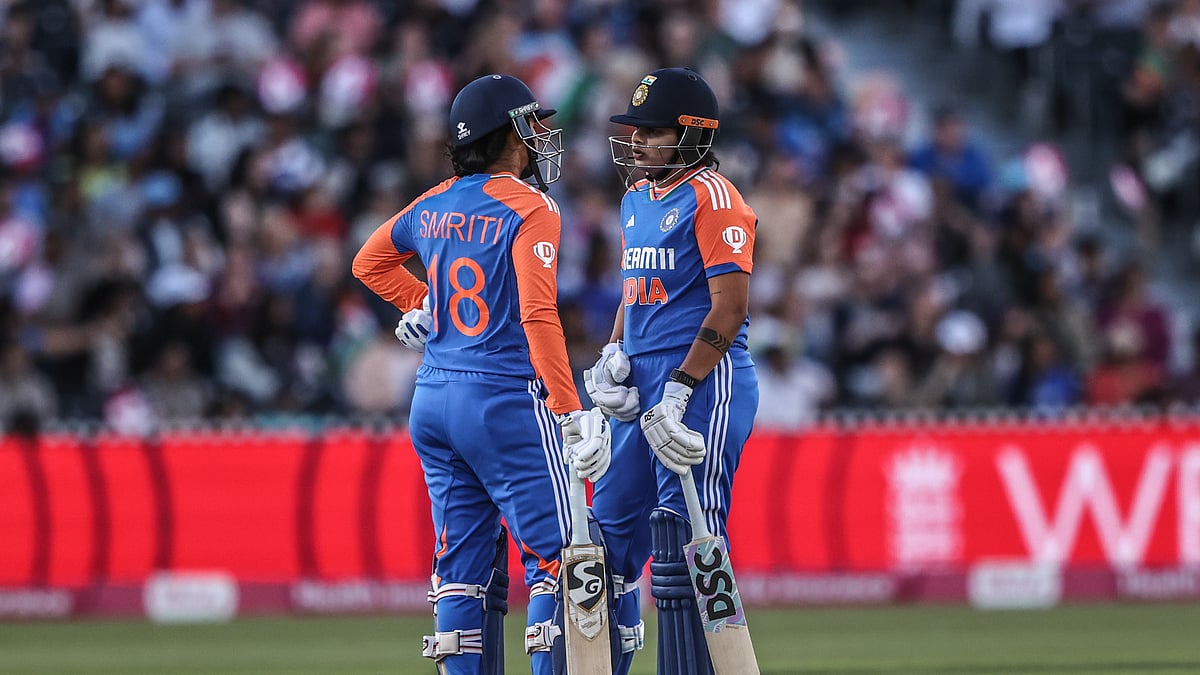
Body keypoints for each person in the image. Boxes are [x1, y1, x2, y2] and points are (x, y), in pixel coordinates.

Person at [352, 73, 610, 675]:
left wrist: (426, 306)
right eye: (531, 125)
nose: (540, 138)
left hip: (434, 398)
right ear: (509, 135)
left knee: (459, 570)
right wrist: (570, 410)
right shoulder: (531, 206)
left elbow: (369, 262)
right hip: (502, 400)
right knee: (561, 558)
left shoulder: (435, 201)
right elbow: (538, 312)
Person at [586, 67, 760, 675]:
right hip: (643, 384)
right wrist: (614, 352)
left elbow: (730, 306)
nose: (636, 141)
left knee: (686, 538)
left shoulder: (717, 198)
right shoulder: (637, 196)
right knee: (603, 537)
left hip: (706, 381)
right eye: (634, 130)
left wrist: (682, 389)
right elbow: (637, 291)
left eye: (652, 131)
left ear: (692, 133)